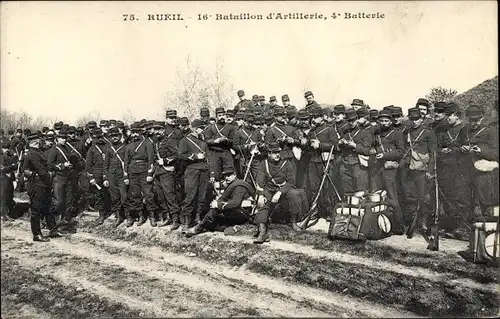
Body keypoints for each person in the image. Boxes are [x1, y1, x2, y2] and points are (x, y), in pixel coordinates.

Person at [254, 142, 303, 243]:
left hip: (284, 189)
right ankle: (262, 231)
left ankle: (293, 221)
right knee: (262, 202)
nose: (277, 155)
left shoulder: (287, 163)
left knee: (294, 194)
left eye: (278, 152)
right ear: (268, 153)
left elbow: (291, 181)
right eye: (274, 152)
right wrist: (260, 195)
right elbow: (260, 180)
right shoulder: (264, 164)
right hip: (270, 189)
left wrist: (280, 192)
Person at [435, 102, 471, 239]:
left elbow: (468, 148)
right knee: (448, 199)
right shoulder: (443, 130)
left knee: (461, 199)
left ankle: (463, 228)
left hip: (460, 169)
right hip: (445, 168)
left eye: (449, 115)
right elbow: (436, 148)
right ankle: (452, 227)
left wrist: (454, 150)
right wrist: (441, 150)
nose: (447, 118)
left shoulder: (465, 129)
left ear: (457, 115)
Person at [185, 168, 255, 237]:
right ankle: (224, 227)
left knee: (215, 211)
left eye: (229, 175)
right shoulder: (232, 184)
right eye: (225, 176)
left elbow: (235, 203)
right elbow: (225, 199)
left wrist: (218, 205)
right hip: (236, 211)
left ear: (235, 175)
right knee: (211, 222)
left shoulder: (239, 186)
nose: (227, 177)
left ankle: (198, 228)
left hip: (244, 215)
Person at [402, 107, 437, 237]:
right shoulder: (407, 132)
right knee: (410, 196)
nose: (414, 121)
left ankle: (423, 223)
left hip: (422, 169)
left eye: (417, 119)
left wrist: (430, 170)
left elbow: (433, 153)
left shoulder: (428, 133)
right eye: (412, 119)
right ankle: (412, 222)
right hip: (410, 168)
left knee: (424, 198)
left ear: (421, 119)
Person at [372, 110, 405, 234]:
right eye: (381, 121)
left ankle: (398, 226)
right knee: (376, 196)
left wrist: (385, 155)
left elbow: (401, 151)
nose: (384, 123)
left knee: (392, 197)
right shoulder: (377, 133)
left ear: (391, 121)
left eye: (386, 121)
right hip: (377, 168)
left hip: (389, 168)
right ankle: (379, 224)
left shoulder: (397, 134)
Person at [23, 132, 60, 241]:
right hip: (37, 185)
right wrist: (50, 175)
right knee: (37, 210)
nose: (41, 142)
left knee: (48, 207)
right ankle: (37, 234)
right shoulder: (33, 154)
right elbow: (41, 170)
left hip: (42, 184)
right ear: (35, 142)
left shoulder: (35, 152)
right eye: (40, 140)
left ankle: (52, 229)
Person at [178, 119, 211, 231]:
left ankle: (198, 218)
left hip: (204, 170)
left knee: (202, 196)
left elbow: (208, 158)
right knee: (190, 196)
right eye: (201, 128)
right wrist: (195, 156)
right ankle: (186, 221)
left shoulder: (203, 142)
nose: (203, 131)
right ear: (195, 129)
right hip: (191, 170)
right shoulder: (185, 140)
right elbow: (181, 156)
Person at [123, 122, 155, 227]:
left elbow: (151, 159)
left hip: (144, 170)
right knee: (135, 194)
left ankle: (152, 216)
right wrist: (126, 176)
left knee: (148, 194)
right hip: (133, 172)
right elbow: (126, 162)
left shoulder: (147, 143)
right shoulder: (128, 146)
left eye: (137, 132)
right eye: (133, 132)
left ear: (140, 132)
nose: (135, 134)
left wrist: (150, 173)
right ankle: (141, 215)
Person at [155, 111, 183, 229]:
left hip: (167, 170)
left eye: (159, 130)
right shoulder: (157, 142)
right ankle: (167, 218)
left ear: (163, 130)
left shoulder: (169, 140)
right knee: (161, 196)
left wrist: (166, 161)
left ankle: (176, 220)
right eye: (155, 130)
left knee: (170, 195)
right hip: (158, 171)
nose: (157, 132)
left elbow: (177, 155)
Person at [338, 108, 374, 197]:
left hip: (358, 164)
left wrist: (355, 146)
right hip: (345, 163)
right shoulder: (345, 132)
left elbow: (367, 150)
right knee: (346, 190)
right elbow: (339, 147)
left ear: (357, 119)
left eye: (353, 120)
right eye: (349, 121)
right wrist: (340, 143)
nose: (351, 123)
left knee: (360, 190)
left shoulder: (365, 132)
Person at [47, 129, 75, 233]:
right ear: (57, 139)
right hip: (58, 178)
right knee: (59, 202)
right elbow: (49, 165)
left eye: (65, 138)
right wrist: (63, 166)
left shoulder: (66, 149)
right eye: (62, 138)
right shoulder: (54, 150)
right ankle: (50, 221)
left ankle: (64, 224)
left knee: (68, 201)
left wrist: (69, 165)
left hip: (67, 177)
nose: (64, 140)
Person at [86, 128, 111, 225]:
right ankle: (101, 215)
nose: (100, 139)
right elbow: (88, 164)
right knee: (98, 194)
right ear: (94, 138)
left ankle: (111, 211)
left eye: (101, 137)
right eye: (97, 138)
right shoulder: (92, 149)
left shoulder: (108, 146)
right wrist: (91, 177)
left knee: (110, 192)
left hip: (108, 170)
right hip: (97, 172)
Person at [103, 127, 128, 227]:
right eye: (112, 136)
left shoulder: (125, 147)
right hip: (111, 175)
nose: (114, 138)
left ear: (120, 136)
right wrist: (105, 178)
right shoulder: (108, 149)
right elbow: (105, 164)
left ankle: (128, 215)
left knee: (124, 196)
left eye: (116, 136)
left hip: (122, 174)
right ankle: (119, 216)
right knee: (114, 197)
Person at [204, 107, 236, 182]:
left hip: (226, 152)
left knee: (229, 173)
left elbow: (233, 140)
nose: (222, 117)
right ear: (216, 117)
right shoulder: (211, 128)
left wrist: (227, 140)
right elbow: (207, 140)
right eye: (219, 115)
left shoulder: (230, 127)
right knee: (216, 175)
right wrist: (215, 141)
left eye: (223, 115)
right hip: (215, 153)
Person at [0, 139, 16, 222]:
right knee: (4, 196)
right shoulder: (2, 157)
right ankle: (4, 215)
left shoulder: (9, 156)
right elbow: (2, 168)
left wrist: (12, 167)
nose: (6, 150)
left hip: (8, 178)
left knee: (9, 195)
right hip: (3, 178)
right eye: (5, 148)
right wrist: (11, 167)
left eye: (7, 148)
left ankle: (7, 213)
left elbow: (15, 166)